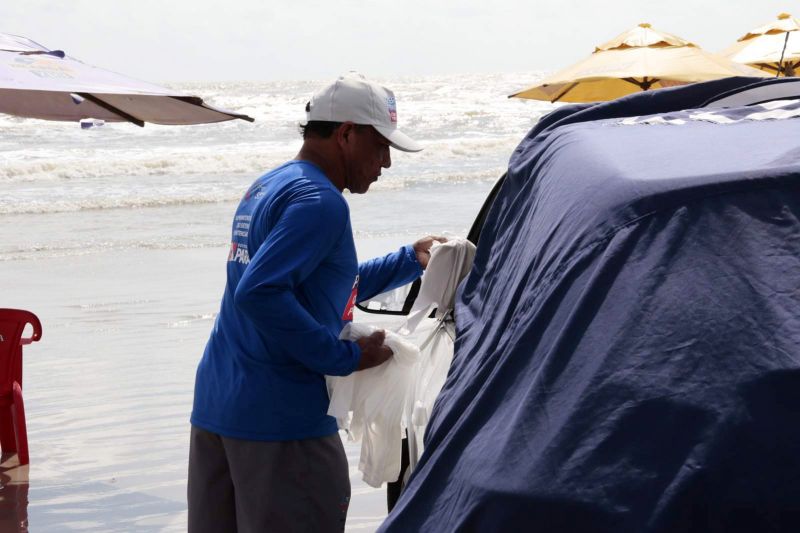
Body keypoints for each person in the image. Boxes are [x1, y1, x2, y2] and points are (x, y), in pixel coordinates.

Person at [188, 72, 443, 533]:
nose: (385, 162)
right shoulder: (321, 202)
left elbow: (319, 285)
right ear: (346, 134)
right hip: (282, 422)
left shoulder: (269, 186)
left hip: (219, 408)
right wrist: (343, 357)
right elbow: (261, 291)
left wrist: (411, 259)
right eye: (380, 146)